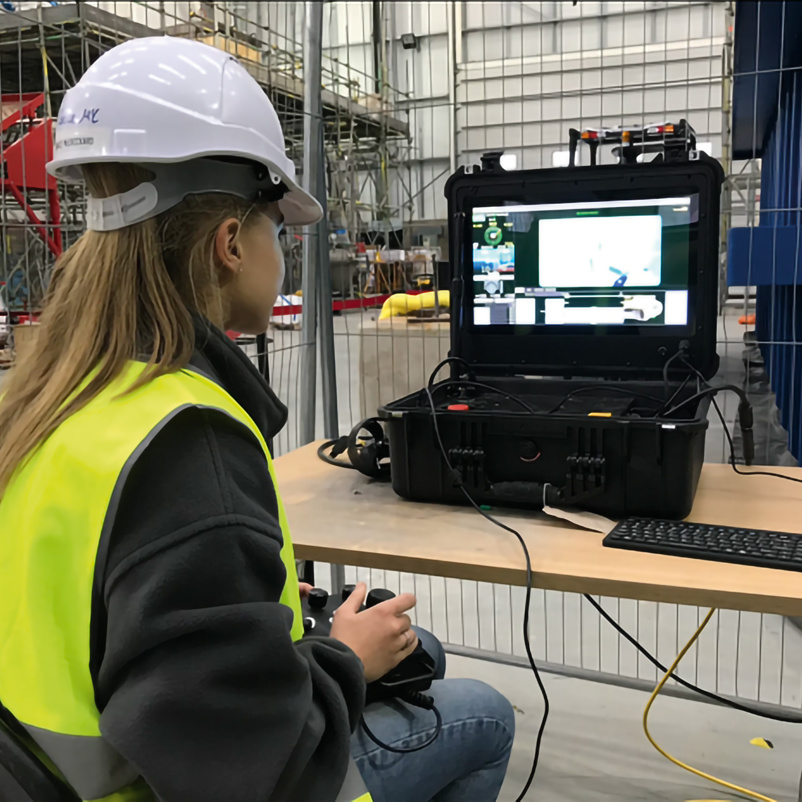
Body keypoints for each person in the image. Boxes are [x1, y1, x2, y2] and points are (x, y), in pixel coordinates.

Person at [0, 37, 514, 802]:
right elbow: (251, 764)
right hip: (176, 778)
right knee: (484, 716)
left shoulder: (51, 394)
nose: (286, 247)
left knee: (420, 651)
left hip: (67, 763)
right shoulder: (186, 440)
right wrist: (341, 660)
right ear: (231, 243)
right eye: (278, 224)